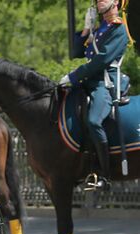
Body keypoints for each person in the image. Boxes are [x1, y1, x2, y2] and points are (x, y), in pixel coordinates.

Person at [59, 0, 129, 189]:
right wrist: (85, 30)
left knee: (94, 121)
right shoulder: (100, 29)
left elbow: (101, 60)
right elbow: (77, 52)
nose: (99, 2)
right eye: (97, 0)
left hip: (104, 83)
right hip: (90, 81)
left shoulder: (118, 30)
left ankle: (104, 176)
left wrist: (74, 76)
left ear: (116, 2)